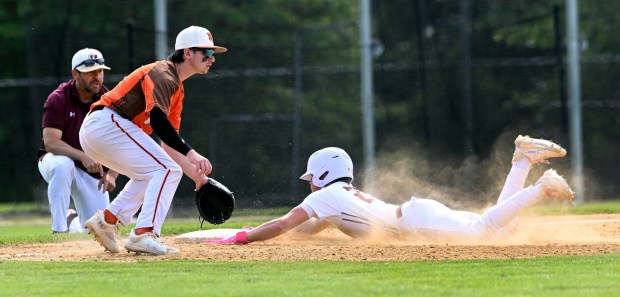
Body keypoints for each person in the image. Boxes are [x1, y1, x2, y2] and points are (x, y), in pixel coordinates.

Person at [207, 135, 574, 245]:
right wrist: (242, 232)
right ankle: (522, 161)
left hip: (415, 220)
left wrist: (241, 239)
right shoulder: (340, 198)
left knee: (484, 231)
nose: (310, 183)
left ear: (324, 174)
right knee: (500, 226)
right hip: (417, 212)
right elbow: (306, 230)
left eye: (312, 177)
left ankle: (542, 188)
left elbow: (285, 224)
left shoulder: (323, 197)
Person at [80, 25, 227, 255]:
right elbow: (158, 122)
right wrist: (192, 153)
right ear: (187, 52)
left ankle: (107, 221)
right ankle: (143, 233)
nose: (211, 59)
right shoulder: (163, 74)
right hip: (106, 124)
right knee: (167, 170)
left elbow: (168, 143)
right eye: (206, 53)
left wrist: (198, 178)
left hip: (101, 131)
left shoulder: (177, 90)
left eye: (212, 54)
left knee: (153, 172)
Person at [38, 48, 118, 234]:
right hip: (55, 161)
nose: (97, 76)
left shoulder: (110, 101)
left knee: (100, 232)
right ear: (75, 73)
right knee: (63, 165)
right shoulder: (58, 98)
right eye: (90, 72)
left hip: (91, 171)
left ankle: (71, 221)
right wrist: (82, 156)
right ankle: (58, 230)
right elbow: (51, 143)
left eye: (100, 71)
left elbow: (121, 143)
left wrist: (113, 174)